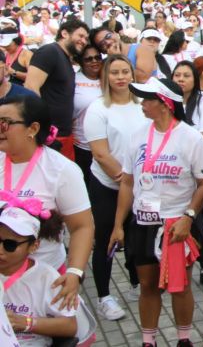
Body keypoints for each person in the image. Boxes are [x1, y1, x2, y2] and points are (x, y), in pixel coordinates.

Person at [109, 77, 203, 347]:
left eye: (147, 99)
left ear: (165, 103)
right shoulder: (137, 136)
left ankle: (184, 339)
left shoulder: (191, 137)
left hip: (176, 224)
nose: (142, 104)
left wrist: (189, 217)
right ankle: (148, 341)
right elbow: (128, 182)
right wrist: (118, 225)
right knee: (147, 285)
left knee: (181, 286)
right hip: (143, 222)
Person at [0, 95, 94, 311]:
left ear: (32, 128)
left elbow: (82, 227)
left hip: (43, 282)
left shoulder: (61, 170)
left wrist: (74, 272)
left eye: (5, 123)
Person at [84, 54, 146, 321]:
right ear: (105, 76)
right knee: (106, 239)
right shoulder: (98, 108)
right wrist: (126, 181)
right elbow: (100, 153)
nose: (120, 77)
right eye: (114, 72)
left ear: (132, 74)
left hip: (139, 185)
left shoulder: (142, 103)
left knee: (136, 237)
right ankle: (104, 296)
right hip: (108, 185)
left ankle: (136, 283)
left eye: (125, 71)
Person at [171, 60, 203, 292]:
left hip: (200, 172)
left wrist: (176, 146)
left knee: (199, 220)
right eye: (177, 75)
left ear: (195, 78)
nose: (181, 79)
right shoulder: (167, 102)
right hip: (172, 173)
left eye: (186, 75)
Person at [0, 200, 79, 345]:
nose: (0, 250)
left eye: (10, 245)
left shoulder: (47, 277)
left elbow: (70, 326)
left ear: (33, 246)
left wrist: (25, 322)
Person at [24, 19, 90, 161]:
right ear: (64, 33)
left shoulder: (64, 58)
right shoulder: (49, 51)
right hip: (50, 135)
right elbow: (31, 87)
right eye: (80, 36)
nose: (84, 41)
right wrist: (44, 130)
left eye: (86, 38)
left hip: (63, 134)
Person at [72, 45, 103, 186]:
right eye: (88, 59)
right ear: (81, 62)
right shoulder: (73, 80)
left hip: (107, 146)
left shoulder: (109, 77)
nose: (94, 61)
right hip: (81, 145)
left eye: (97, 57)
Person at [89, 26, 158, 84]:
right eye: (102, 44)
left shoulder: (141, 49)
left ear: (115, 33)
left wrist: (118, 58)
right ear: (102, 51)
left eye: (108, 36)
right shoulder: (105, 64)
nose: (108, 42)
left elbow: (142, 78)